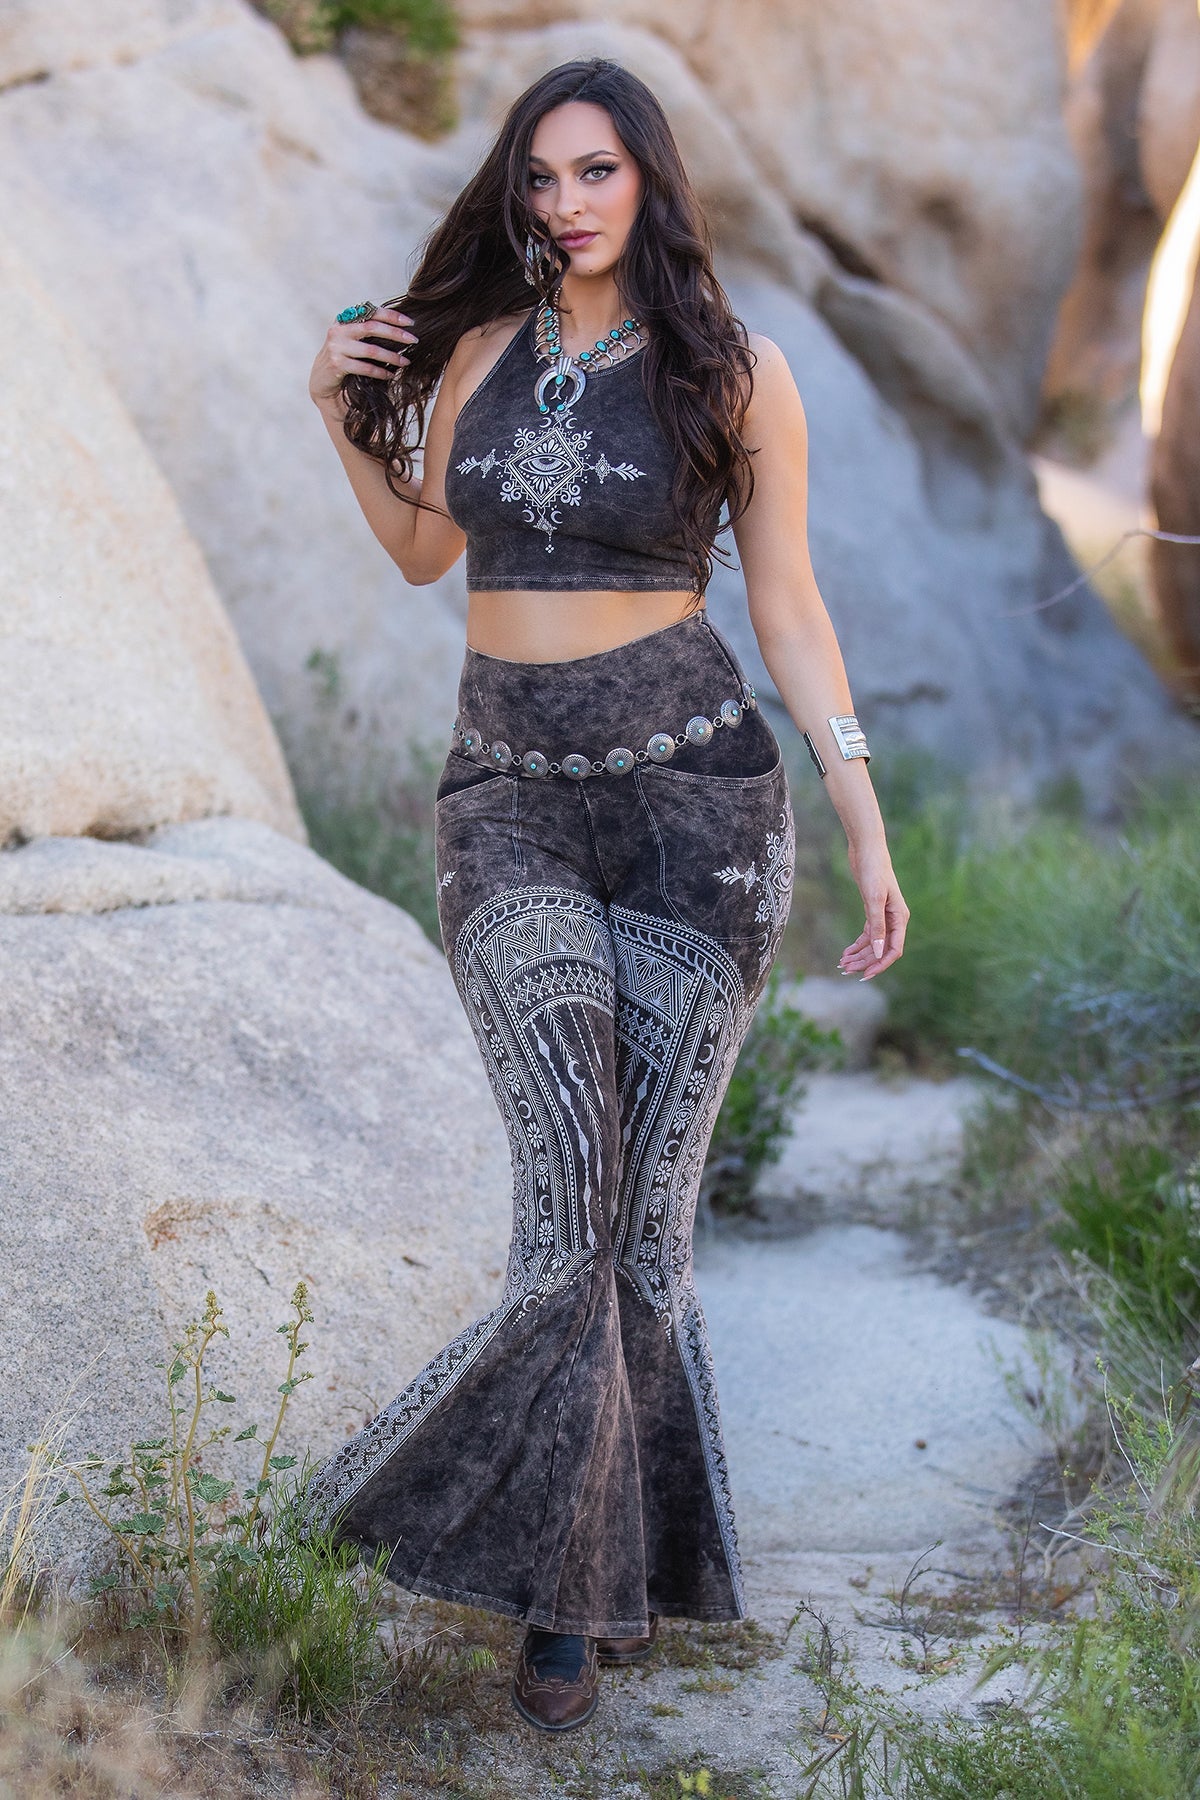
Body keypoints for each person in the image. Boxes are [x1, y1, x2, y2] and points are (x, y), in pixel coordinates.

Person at [303, 57, 908, 1733]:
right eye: (542, 179)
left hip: (698, 807)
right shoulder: (487, 350)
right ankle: (547, 1601)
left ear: (650, 177)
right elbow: (429, 554)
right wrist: (340, 420)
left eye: (595, 173)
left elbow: (790, 609)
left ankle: (600, 1579)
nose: (565, 205)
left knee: (644, 1237)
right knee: (566, 1197)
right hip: (504, 802)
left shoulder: (738, 370)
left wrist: (860, 811)